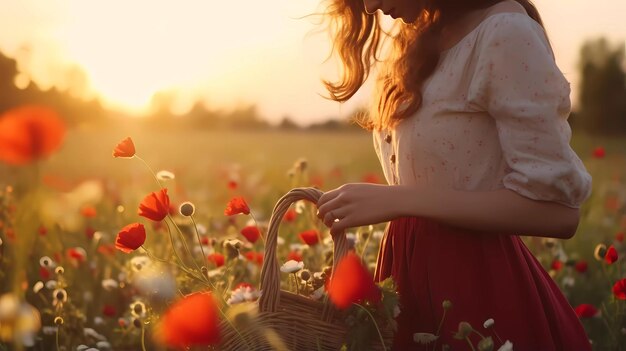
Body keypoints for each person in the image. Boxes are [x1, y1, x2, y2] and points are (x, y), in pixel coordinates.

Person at [315, 0, 594, 349]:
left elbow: (559, 213)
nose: (369, 7)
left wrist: (399, 200)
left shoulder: (504, 33)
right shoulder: (416, 38)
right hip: (406, 277)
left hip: (475, 288)